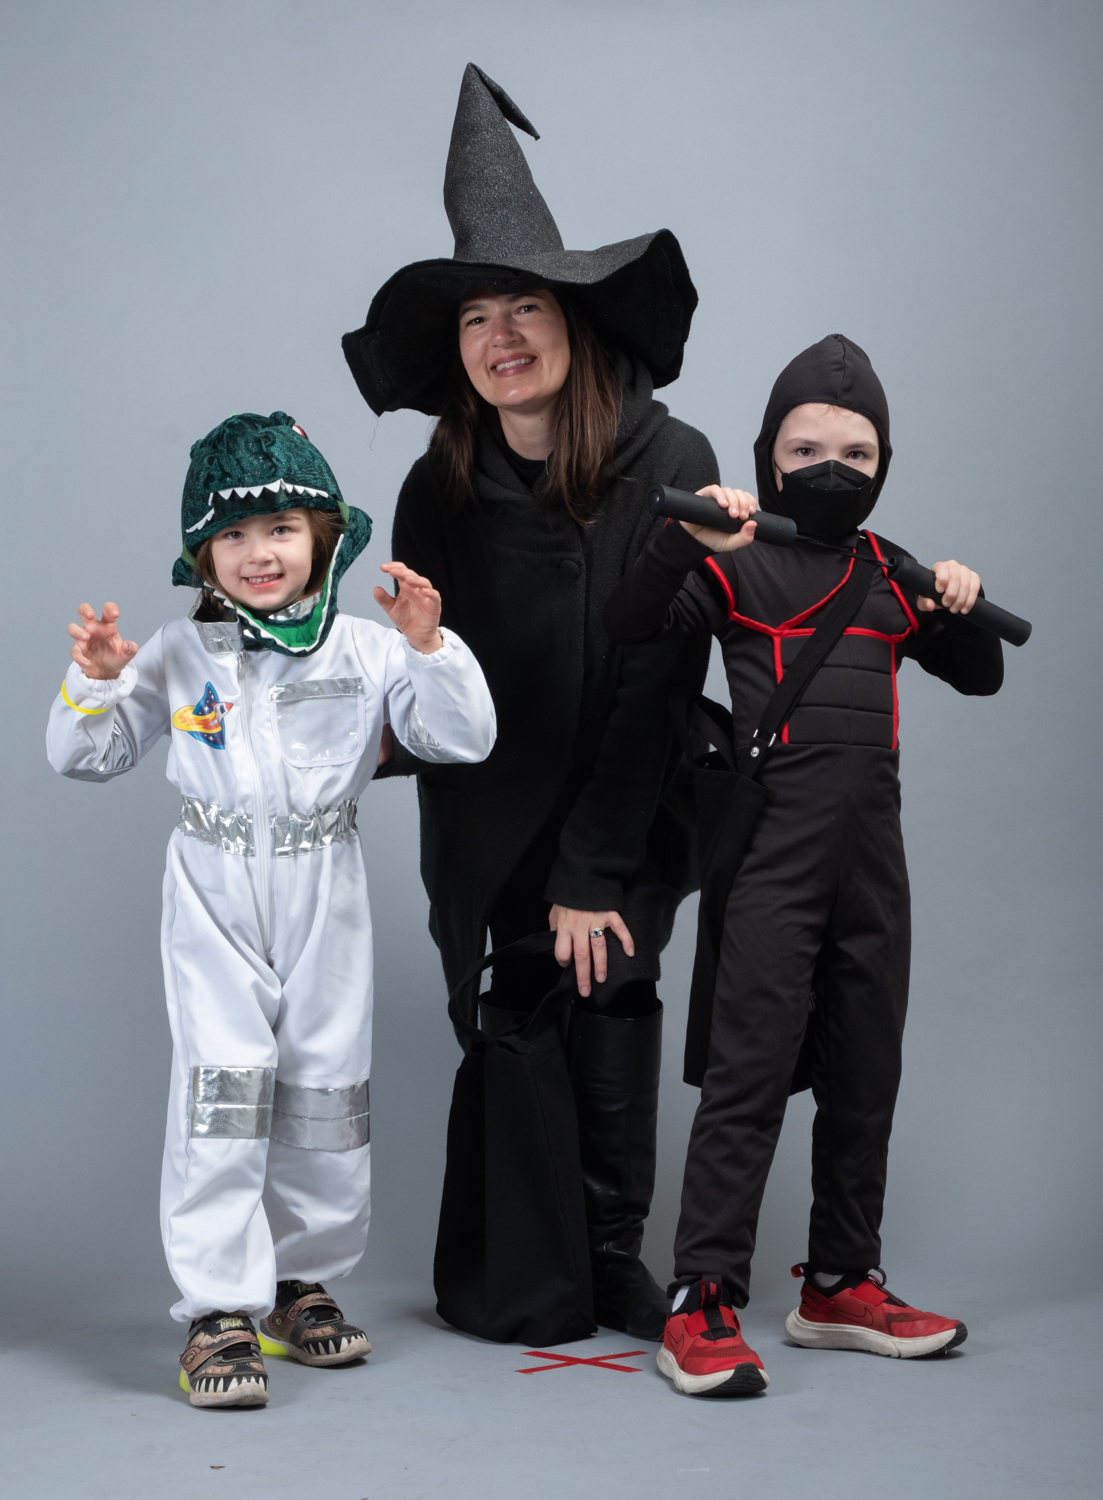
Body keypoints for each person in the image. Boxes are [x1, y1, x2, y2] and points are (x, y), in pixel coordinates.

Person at [342, 64, 717, 1340]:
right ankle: (534, 1253)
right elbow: (422, 670)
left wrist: (596, 870)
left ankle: (610, 1252)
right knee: (511, 1010)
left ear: (573, 321)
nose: (499, 337)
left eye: (523, 307)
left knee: (608, 982)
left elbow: (657, 683)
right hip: (487, 810)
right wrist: (351, 736)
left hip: (624, 794)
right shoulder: (435, 484)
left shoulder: (670, 461)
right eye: (474, 318)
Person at [47, 411, 495, 1408]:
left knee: (326, 1091)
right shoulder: (180, 650)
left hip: (323, 887)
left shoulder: (367, 650)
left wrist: (428, 647)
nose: (260, 553)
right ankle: (217, 1309)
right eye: (235, 535)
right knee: (224, 1089)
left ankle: (301, 1284)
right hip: (214, 892)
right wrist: (95, 681)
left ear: (323, 536)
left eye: (282, 529)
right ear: (202, 553)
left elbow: (461, 739)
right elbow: (85, 756)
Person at [603, 334, 1004, 1395]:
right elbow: (628, 626)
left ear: (882, 464)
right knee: (748, 1080)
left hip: (873, 868)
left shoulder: (890, 574)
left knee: (866, 1076)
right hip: (770, 861)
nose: (832, 467)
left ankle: (838, 1284)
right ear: (768, 457)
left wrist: (961, 598)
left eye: (856, 452)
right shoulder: (734, 560)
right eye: (805, 449)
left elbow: (980, 676)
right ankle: (700, 1300)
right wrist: (681, 542)